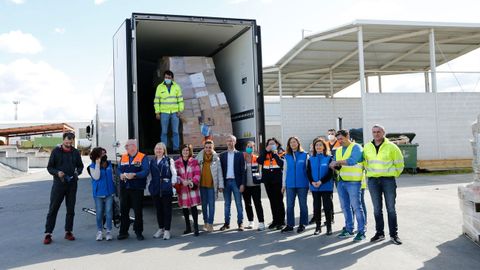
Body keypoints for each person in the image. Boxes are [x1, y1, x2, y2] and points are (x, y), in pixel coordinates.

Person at [363, 124, 404, 245]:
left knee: (391, 209)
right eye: (374, 132)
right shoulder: (367, 147)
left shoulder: (392, 147)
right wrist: (370, 174)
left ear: (383, 133)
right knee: (377, 209)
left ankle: (394, 235)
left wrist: (393, 174)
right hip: (373, 181)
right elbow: (365, 162)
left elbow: (400, 163)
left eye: (378, 132)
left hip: (388, 181)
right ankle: (379, 233)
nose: (376, 134)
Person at [43, 132, 84, 245]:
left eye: (71, 141)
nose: (69, 143)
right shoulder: (56, 151)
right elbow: (50, 167)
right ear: (63, 140)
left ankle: (68, 232)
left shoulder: (75, 152)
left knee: (70, 209)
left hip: (72, 185)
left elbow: (80, 166)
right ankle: (48, 234)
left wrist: (77, 172)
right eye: (67, 141)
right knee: (53, 209)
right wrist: (57, 173)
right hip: (59, 185)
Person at [329, 130, 366, 242]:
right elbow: (335, 162)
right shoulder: (339, 150)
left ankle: (361, 232)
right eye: (338, 139)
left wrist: (336, 162)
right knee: (345, 207)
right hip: (341, 181)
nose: (340, 141)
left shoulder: (357, 147)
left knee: (356, 207)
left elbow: (352, 161)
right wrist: (333, 165)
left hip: (354, 181)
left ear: (347, 136)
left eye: (341, 138)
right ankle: (349, 229)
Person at [117, 139, 149, 241]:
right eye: (126, 146)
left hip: (137, 188)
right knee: (124, 211)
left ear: (134, 147)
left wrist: (135, 175)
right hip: (125, 188)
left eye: (128, 146)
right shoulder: (124, 157)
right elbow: (118, 169)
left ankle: (139, 232)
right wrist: (120, 174)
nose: (126, 148)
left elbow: (146, 171)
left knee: (138, 211)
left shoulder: (142, 157)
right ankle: (123, 232)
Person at [148, 142, 177, 240]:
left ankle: (167, 230)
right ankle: (161, 228)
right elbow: (149, 175)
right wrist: (150, 186)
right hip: (155, 188)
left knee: (167, 210)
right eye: (157, 149)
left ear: (164, 150)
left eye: (160, 149)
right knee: (158, 210)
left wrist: (172, 185)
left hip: (166, 188)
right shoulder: (152, 161)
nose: (158, 150)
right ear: (154, 150)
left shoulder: (169, 160)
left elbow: (174, 173)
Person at [281, 136, 309, 233]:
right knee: (289, 205)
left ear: (298, 143)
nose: (293, 144)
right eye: (291, 142)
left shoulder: (305, 155)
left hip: (303, 184)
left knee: (303, 205)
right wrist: (283, 185)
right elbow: (285, 171)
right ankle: (290, 224)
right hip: (290, 185)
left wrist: (309, 184)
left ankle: (303, 224)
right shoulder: (286, 156)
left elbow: (308, 170)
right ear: (289, 144)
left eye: (294, 142)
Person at [307, 138, 334, 235]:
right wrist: (312, 182)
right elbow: (308, 172)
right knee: (316, 207)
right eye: (316, 145)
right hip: (315, 187)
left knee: (327, 207)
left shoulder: (329, 158)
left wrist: (321, 181)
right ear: (314, 147)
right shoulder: (311, 158)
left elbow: (330, 173)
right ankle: (318, 227)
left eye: (320, 145)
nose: (318, 147)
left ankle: (329, 227)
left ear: (324, 146)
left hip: (326, 186)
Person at [257, 137, 285, 230]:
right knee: (272, 201)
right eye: (269, 144)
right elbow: (259, 161)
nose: (271, 145)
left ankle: (281, 221)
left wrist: (276, 154)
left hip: (278, 181)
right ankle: (275, 220)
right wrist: (266, 151)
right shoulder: (265, 153)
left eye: (273, 143)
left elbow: (281, 164)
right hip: (268, 181)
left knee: (279, 201)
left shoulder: (281, 152)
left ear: (277, 144)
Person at [88, 147, 115, 241]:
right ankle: (99, 231)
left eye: (105, 153)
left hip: (109, 193)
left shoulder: (109, 164)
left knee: (108, 212)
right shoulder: (92, 166)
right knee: (99, 213)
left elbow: (112, 177)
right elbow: (96, 177)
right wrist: (98, 165)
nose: (104, 155)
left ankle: (108, 231)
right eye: (102, 154)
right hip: (98, 193)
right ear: (97, 156)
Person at [219, 135, 246, 231]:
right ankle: (226, 223)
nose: (230, 143)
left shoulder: (240, 155)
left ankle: (240, 223)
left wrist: (242, 184)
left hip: (236, 182)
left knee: (239, 203)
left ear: (235, 142)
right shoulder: (222, 155)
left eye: (232, 141)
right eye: (228, 141)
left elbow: (243, 170)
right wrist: (220, 184)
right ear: (226, 142)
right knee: (227, 204)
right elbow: (220, 171)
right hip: (226, 182)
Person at [154, 70, 184, 153]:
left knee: (175, 131)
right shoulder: (160, 87)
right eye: (166, 77)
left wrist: (180, 111)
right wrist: (157, 112)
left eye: (169, 78)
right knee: (164, 132)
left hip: (175, 112)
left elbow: (180, 100)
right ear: (164, 78)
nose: (167, 79)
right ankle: (164, 149)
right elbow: (157, 101)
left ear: (172, 78)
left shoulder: (176, 87)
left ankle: (176, 148)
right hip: (164, 113)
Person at [196, 140, 224, 232]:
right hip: (202, 185)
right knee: (204, 205)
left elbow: (220, 172)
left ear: (213, 148)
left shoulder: (216, 158)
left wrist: (221, 185)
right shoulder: (199, 157)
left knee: (211, 205)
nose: (208, 149)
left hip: (212, 185)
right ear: (204, 148)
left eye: (210, 147)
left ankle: (210, 223)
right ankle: (205, 222)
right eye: (206, 147)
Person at [175, 144, 201, 236]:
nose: (185, 152)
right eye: (184, 150)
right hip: (182, 188)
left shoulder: (194, 161)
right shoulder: (177, 162)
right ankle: (188, 227)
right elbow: (176, 175)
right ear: (181, 151)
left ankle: (196, 228)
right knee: (185, 208)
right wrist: (182, 181)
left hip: (192, 187)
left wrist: (191, 182)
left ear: (190, 151)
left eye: (187, 150)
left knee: (194, 208)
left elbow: (198, 174)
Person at [242, 141, 265, 231]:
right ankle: (251, 221)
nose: (250, 148)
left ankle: (261, 223)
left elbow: (261, 169)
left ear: (254, 148)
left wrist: (260, 178)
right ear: (245, 147)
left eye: (251, 147)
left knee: (257, 204)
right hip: (245, 186)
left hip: (255, 185)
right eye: (248, 146)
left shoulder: (256, 158)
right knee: (248, 204)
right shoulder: (242, 158)